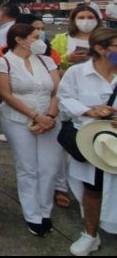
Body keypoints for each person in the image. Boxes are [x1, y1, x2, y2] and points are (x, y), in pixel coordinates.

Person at [0, 23, 62, 237]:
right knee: (28, 167)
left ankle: (45, 210)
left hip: (49, 118)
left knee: (49, 167)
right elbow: (6, 94)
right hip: (18, 120)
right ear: (19, 40)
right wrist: (35, 116)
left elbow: (58, 90)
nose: (40, 40)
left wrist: (49, 116)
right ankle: (33, 214)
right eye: (34, 36)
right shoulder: (3, 62)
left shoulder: (46, 60)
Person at [57, 28, 117, 256]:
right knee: (93, 188)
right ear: (100, 49)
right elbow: (64, 99)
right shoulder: (77, 73)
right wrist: (88, 111)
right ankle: (90, 235)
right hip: (91, 139)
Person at [52, 6, 103, 72]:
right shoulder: (60, 39)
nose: (86, 21)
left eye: (90, 17)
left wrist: (105, 56)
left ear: (97, 20)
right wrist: (68, 59)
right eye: (81, 18)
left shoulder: (107, 38)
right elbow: (51, 61)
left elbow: (115, 59)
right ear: (74, 20)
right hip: (71, 77)